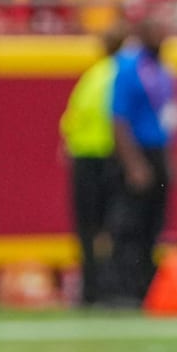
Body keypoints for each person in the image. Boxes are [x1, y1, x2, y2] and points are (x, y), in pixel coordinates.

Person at [108, 16, 177, 306]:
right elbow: (118, 118)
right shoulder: (128, 67)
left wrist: (171, 156)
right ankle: (122, 288)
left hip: (157, 150)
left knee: (154, 222)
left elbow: (167, 117)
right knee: (130, 224)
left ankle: (145, 286)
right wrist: (133, 164)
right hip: (136, 151)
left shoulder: (163, 69)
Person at [59, 24, 127, 307]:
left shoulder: (92, 75)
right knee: (113, 226)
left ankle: (90, 288)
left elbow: (72, 117)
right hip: (108, 156)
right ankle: (109, 286)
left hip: (84, 155)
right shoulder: (121, 75)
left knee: (88, 227)